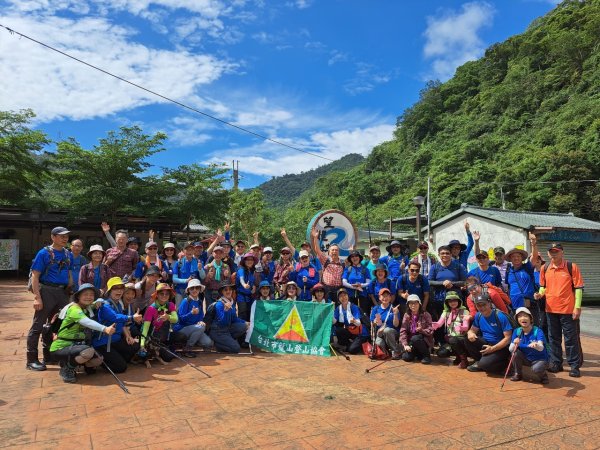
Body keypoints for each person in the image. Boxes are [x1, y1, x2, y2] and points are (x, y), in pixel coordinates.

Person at [27, 226, 74, 371]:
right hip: (46, 290)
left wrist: (70, 288)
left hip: (62, 293)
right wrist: (37, 297)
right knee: (38, 325)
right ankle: (31, 359)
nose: (65, 239)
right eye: (61, 236)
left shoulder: (67, 254)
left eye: (66, 236)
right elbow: (35, 275)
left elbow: (69, 272)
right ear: (53, 237)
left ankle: (49, 355)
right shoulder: (44, 253)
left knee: (57, 325)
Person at [49, 283, 116, 383]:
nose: (88, 297)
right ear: (78, 296)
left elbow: (101, 301)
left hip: (76, 345)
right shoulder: (74, 309)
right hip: (61, 347)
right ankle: (67, 368)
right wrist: (105, 329)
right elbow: (86, 321)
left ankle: (76, 364)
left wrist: (99, 300)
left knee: (98, 359)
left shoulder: (87, 307)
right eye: (85, 294)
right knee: (88, 352)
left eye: (91, 295)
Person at [536, 242, 585, 378]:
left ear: (562, 252)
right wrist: (540, 294)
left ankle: (574, 366)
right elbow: (543, 286)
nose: (554, 253)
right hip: (551, 310)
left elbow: (579, 288)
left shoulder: (571, 267)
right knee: (553, 338)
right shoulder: (545, 268)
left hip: (568, 310)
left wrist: (577, 307)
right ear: (548, 253)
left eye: (556, 251)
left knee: (571, 339)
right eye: (551, 251)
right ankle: (556, 363)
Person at [93, 277, 143, 373]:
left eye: (121, 288)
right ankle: (99, 359)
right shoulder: (105, 305)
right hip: (104, 342)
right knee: (121, 367)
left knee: (135, 346)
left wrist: (128, 336)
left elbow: (122, 323)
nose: (119, 291)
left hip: (115, 340)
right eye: (115, 288)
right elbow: (115, 317)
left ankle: (114, 357)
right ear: (110, 291)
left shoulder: (118, 304)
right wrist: (132, 317)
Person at [428, 245, 466, 345]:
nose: (445, 255)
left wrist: (451, 283)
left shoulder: (458, 266)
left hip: (455, 299)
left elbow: (464, 282)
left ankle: (455, 342)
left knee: (455, 320)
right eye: (442, 253)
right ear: (439, 255)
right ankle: (441, 341)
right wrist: (442, 283)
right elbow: (430, 281)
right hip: (439, 299)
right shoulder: (435, 267)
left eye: (447, 253)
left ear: (450, 254)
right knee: (440, 320)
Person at [465, 293, 512, 373]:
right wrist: (470, 333)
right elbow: (472, 330)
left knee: (486, 366)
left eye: (484, 305)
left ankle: (505, 364)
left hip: (501, 347)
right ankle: (479, 361)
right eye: (479, 305)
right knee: (467, 339)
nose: (482, 308)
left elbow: (508, 338)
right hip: (486, 344)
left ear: (490, 303)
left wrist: (492, 349)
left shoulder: (500, 316)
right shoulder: (478, 315)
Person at [509, 307, 549, 384]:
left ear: (531, 319)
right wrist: (514, 343)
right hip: (526, 358)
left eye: (525, 316)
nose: (523, 318)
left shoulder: (537, 331)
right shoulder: (517, 331)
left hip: (539, 359)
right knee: (515, 353)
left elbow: (541, 348)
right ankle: (518, 374)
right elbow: (511, 349)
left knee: (536, 369)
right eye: (519, 316)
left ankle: (543, 376)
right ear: (517, 320)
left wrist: (536, 345)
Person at [173, 279, 213, 357]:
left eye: (197, 288)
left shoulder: (199, 302)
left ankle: (192, 341)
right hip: (182, 329)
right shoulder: (186, 301)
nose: (194, 290)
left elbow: (201, 316)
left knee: (208, 343)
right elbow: (181, 319)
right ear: (188, 290)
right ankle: (188, 348)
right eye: (192, 288)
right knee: (201, 328)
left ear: (199, 289)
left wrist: (201, 321)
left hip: (195, 328)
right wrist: (191, 313)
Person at [139, 283, 178, 362]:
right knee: (168, 357)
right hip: (153, 338)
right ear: (157, 295)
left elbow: (176, 319)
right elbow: (145, 328)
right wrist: (142, 344)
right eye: (161, 293)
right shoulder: (151, 309)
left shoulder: (171, 305)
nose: (164, 296)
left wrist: (168, 317)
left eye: (167, 294)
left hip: (165, 334)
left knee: (182, 336)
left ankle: (166, 347)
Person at [431, 291, 470, 368]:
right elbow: (440, 323)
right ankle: (457, 356)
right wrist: (435, 325)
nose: (453, 302)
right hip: (450, 338)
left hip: (461, 338)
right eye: (450, 301)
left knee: (453, 340)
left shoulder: (464, 311)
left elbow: (466, 326)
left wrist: (462, 327)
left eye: (455, 300)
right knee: (441, 353)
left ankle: (464, 359)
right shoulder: (446, 312)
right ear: (447, 303)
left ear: (459, 301)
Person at [209, 282, 249, 353]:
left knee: (244, 326)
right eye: (225, 290)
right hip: (218, 331)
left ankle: (227, 341)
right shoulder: (219, 304)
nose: (228, 291)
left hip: (227, 329)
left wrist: (245, 322)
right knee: (236, 348)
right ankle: (217, 345)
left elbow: (234, 319)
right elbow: (221, 322)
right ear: (222, 292)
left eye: (230, 289)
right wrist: (225, 311)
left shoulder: (231, 303)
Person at [505, 232, 539, 313]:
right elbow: (509, 287)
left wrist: (533, 244)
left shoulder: (527, 267)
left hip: (528, 303)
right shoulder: (508, 270)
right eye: (513, 256)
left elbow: (534, 257)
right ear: (510, 259)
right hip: (514, 304)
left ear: (522, 258)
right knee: (516, 325)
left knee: (530, 324)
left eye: (518, 256)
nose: (516, 258)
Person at [311, 230, 344, 304]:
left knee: (337, 307)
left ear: (339, 252)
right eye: (332, 250)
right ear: (329, 252)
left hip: (338, 289)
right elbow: (317, 250)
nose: (334, 252)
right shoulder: (326, 260)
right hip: (327, 288)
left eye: (336, 250)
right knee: (327, 307)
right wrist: (315, 238)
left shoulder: (343, 263)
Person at [399, 295, 434, 364]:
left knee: (415, 338)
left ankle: (427, 356)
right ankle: (418, 354)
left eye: (415, 303)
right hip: (411, 342)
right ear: (408, 305)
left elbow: (431, 330)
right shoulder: (406, 315)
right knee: (406, 357)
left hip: (424, 340)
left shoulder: (426, 314)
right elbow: (403, 330)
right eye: (411, 303)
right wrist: (405, 345)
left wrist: (422, 330)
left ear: (419, 304)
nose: (413, 305)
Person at [333, 288, 369, 354]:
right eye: (341, 296)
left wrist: (354, 321)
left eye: (345, 295)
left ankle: (362, 343)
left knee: (352, 350)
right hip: (351, 331)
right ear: (338, 299)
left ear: (348, 296)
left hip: (361, 333)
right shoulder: (338, 308)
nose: (343, 298)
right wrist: (331, 310)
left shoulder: (353, 307)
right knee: (338, 330)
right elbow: (334, 322)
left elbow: (358, 323)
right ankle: (351, 344)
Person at [370, 288, 402, 359]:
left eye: (387, 296)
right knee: (378, 343)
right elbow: (378, 324)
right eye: (383, 296)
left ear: (390, 297)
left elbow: (396, 325)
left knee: (387, 330)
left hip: (392, 333)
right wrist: (375, 322)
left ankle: (396, 351)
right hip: (380, 333)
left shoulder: (393, 308)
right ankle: (387, 351)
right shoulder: (376, 309)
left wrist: (395, 314)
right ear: (379, 297)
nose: (385, 298)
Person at [172, 241, 204, 306]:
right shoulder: (178, 263)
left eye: (191, 249)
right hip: (180, 291)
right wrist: (186, 280)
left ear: (194, 251)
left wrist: (200, 269)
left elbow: (203, 277)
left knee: (192, 310)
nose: (189, 251)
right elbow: (174, 279)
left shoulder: (198, 262)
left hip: (193, 291)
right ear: (183, 251)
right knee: (179, 310)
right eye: (187, 249)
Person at [236, 252, 258, 320]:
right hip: (241, 297)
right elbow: (241, 279)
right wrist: (244, 285)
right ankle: (241, 330)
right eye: (247, 260)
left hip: (249, 297)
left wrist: (253, 286)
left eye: (251, 260)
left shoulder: (251, 272)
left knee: (249, 315)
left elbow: (252, 283)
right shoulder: (241, 270)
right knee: (242, 315)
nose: (249, 261)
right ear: (244, 261)